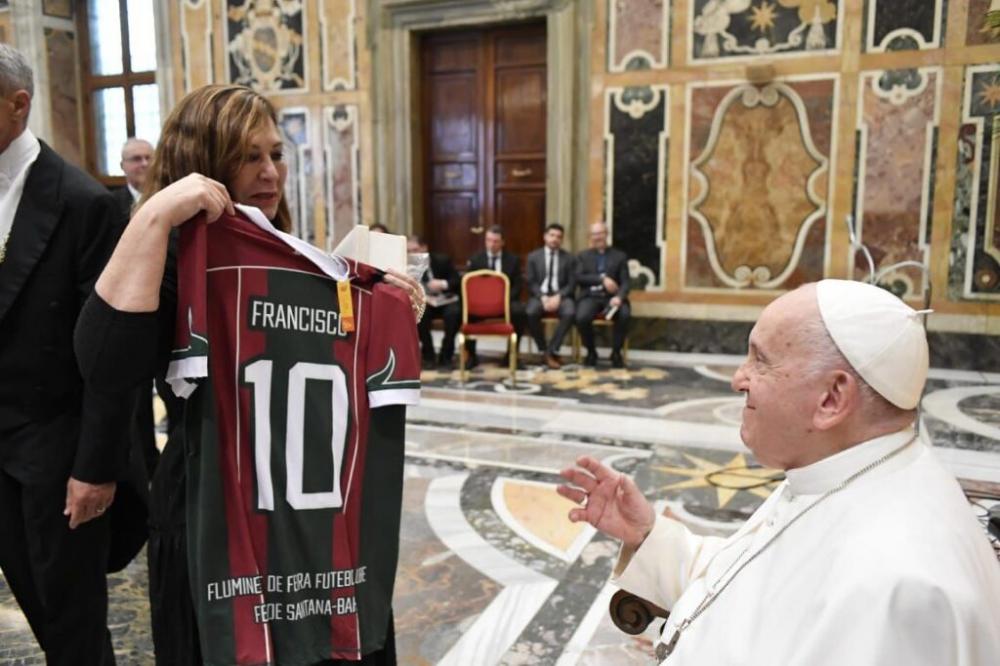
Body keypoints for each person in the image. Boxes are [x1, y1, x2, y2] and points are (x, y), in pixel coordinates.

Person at [74, 84, 425, 665]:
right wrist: (157, 212)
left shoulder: (296, 259)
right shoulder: (169, 263)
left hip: (318, 516)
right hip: (211, 519)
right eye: (248, 156)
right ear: (202, 164)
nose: (270, 172)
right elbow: (104, 363)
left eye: (276, 154)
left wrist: (381, 300)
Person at [558, 280, 1000, 665]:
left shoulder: (896, 590)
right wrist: (648, 535)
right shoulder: (840, 467)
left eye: (760, 360)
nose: (737, 379)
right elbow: (756, 586)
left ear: (831, 398)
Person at [0, 43, 128, 665]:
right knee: (31, 606)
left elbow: (111, 360)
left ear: (18, 104)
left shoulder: (84, 204)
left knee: (73, 630)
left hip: (58, 460)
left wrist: (96, 469)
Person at [464, 224, 526, 368]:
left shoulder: (513, 260)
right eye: (489, 240)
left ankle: (512, 354)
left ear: (502, 242)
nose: (491, 244)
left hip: (506, 301)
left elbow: (517, 285)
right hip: (481, 302)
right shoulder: (476, 260)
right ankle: (471, 355)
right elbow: (469, 286)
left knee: (519, 311)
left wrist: (503, 301)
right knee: (467, 311)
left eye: (495, 241)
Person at [574, 221, 631, 368]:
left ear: (606, 234)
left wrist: (619, 297)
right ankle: (591, 352)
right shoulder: (583, 256)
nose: (597, 237)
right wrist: (601, 279)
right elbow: (579, 278)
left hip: (612, 298)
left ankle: (616, 353)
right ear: (590, 237)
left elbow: (626, 282)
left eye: (600, 233)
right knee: (581, 317)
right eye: (594, 234)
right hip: (590, 296)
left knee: (624, 314)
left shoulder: (620, 256)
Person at [525, 222, 576, 369]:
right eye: (552, 235)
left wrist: (559, 296)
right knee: (530, 312)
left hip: (562, 296)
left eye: (559, 237)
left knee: (570, 312)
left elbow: (572, 284)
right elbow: (531, 281)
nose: (555, 239)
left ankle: (551, 350)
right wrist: (542, 296)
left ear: (562, 239)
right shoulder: (533, 257)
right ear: (545, 237)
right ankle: (544, 349)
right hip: (540, 296)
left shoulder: (569, 258)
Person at [409, 234, 461, 367]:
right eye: (409, 251)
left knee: (454, 314)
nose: (412, 254)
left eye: (415, 250)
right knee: (420, 314)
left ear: (424, 247)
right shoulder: (409, 265)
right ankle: (428, 354)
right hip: (426, 302)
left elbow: (456, 281)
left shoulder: (442, 260)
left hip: (446, 300)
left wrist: (443, 284)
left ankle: (446, 354)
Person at [110, 137, 153, 221]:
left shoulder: (168, 196)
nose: (145, 163)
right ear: (122, 166)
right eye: (137, 159)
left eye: (148, 158)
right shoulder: (112, 203)